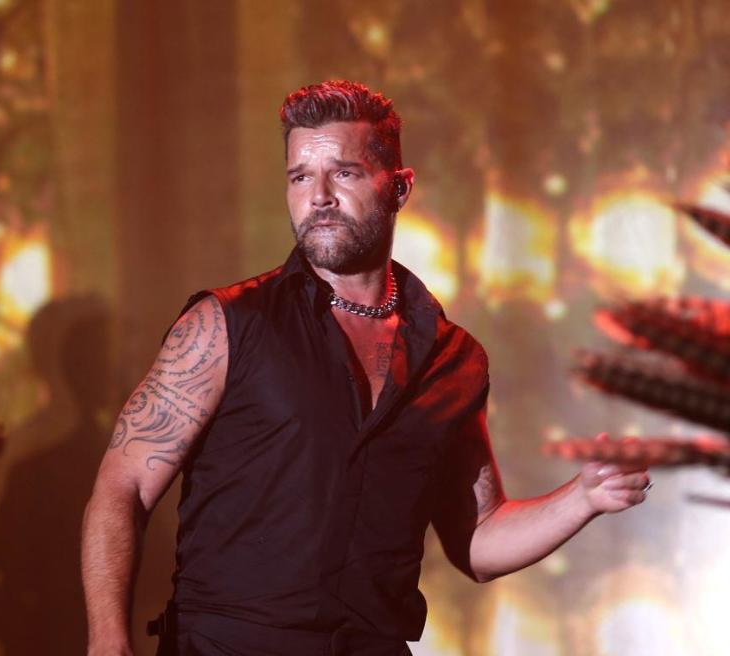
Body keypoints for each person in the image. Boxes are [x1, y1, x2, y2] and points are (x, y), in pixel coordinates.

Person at [81, 81, 650, 656]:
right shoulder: (226, 325)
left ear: (398, 188)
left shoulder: (453, 359)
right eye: (300, 176)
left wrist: (583, 497)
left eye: (345, 172)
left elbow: (476, 540)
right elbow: (122, 488)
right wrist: (108, 642)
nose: (319, 195)